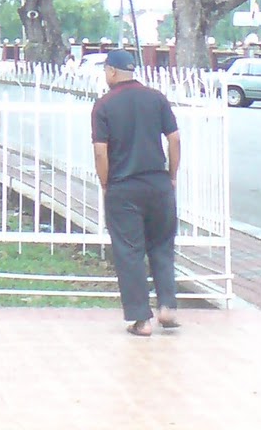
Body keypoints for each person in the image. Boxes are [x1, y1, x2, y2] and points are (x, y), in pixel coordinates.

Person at [91, 48, 181, 336]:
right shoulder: (157, 99)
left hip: (123, 186)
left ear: (113, 72)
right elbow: (175, 139)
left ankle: (142, 320)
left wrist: (106, 183)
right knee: (162, 245)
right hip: (158, 184)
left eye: (106, 70)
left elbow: (100, 152)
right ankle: (167, 306)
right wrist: (172, 176)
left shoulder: (104, 105)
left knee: (129, 252)